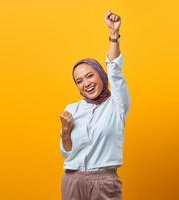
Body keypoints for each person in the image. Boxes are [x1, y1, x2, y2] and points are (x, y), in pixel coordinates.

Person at [59, 10, 130, 200]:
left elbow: (115, 70)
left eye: (90, 75)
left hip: (104, 182)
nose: (86, 83)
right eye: (79, 81)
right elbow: (66, 152)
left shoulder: (117, 104)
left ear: (101, 74)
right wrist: (65, 131)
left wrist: (114, 35)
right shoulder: (72, 109)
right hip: (72, 180)